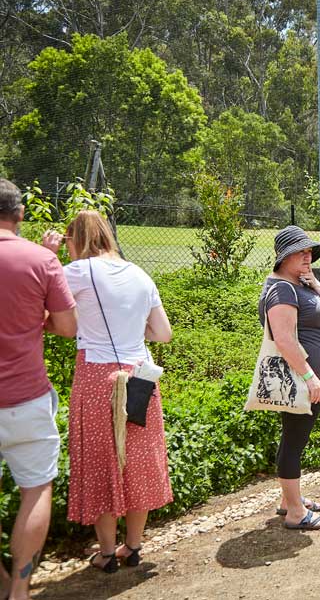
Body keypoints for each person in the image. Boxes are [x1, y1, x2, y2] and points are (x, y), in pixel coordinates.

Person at [42, 210, 174, 573]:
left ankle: (105, 550)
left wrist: (48, 256)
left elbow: (41, 303)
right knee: (138, 462)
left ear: (75, 239)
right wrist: (131, 333)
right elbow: (163, 333)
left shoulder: (77, 272)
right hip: (139, 377)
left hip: (97, 377)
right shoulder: (139, 273)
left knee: (100, 461)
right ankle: (132, 547)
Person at [0, 179, 77, 600]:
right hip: (24, 397)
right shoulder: (40, 261)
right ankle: (20, 589)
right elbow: (67, 327)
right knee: (35, 487)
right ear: (21, 214)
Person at [259, 226, 320, 530]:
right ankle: (295, 512)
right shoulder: (281, 289)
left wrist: (315, 282)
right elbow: (284, 339)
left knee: (293, 438)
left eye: (310, 252)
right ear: (284, 257)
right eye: (301, 252)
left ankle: (288, 500)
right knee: (294, 440)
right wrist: (309, 376)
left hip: (307, 376)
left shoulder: (299, 284)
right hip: (300, 377)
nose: (308, 257)